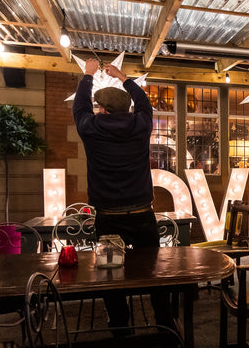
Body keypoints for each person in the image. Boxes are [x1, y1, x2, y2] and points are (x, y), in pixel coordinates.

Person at [73, 58, 174, 334]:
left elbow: (79, 106)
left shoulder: (91, 129)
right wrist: (124, 77)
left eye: (98, 107)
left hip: (108, 219)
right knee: (152, 275)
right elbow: (144, 103)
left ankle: (120, 326)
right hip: (142, 215)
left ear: (103, 110)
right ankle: (165, 323)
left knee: (110, 276)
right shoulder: (140, 126)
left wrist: (88, 75)